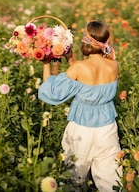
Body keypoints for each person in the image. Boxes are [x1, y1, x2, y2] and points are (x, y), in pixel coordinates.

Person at [38, 20, 122, 191]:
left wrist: (45, 63)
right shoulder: (114, 65)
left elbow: (52, 92)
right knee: (111, 177)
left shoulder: (79, 68)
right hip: (107, 126)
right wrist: (72, 61)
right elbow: (91, 77)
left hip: (82, 128)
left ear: (87, 41)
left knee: (74, 174)